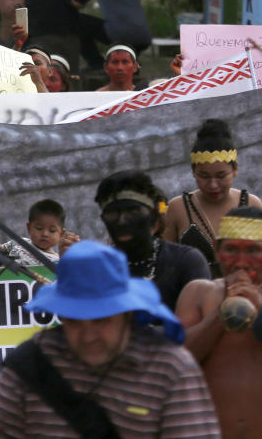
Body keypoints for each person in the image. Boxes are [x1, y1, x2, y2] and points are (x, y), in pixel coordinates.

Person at [0, 241, 221, 438]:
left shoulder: (169, 367)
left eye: (101, 321)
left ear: (127, 314)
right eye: (75, 321)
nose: (88, 336)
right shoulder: (31, 361)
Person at [175, 206, 262, 438]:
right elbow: (177, 362)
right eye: (231, 249)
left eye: (253, 250)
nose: (241, 262)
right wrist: (220, 313)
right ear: (216, 250)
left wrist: (259, 308)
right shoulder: (198, 292)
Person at [96, 170, 210, 311]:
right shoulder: (96, 268)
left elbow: (198, 324)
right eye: (112, 213)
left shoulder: (185, 261)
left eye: (132, 212)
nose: (122, 222)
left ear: (154, 220)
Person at [164, 119, 262, 269]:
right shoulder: (178, 208)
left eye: (221, 176)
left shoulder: (251, 203)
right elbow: (165, 263)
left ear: (235, 170)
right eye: (204, 176)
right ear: (193, 172)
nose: (213, 185)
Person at [0, 199, 79, 266]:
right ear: (29, 228)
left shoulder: (57, 262)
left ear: (61, 234)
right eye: (39, 228)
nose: (45, 234)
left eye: (52, 231)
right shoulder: (18, 243)